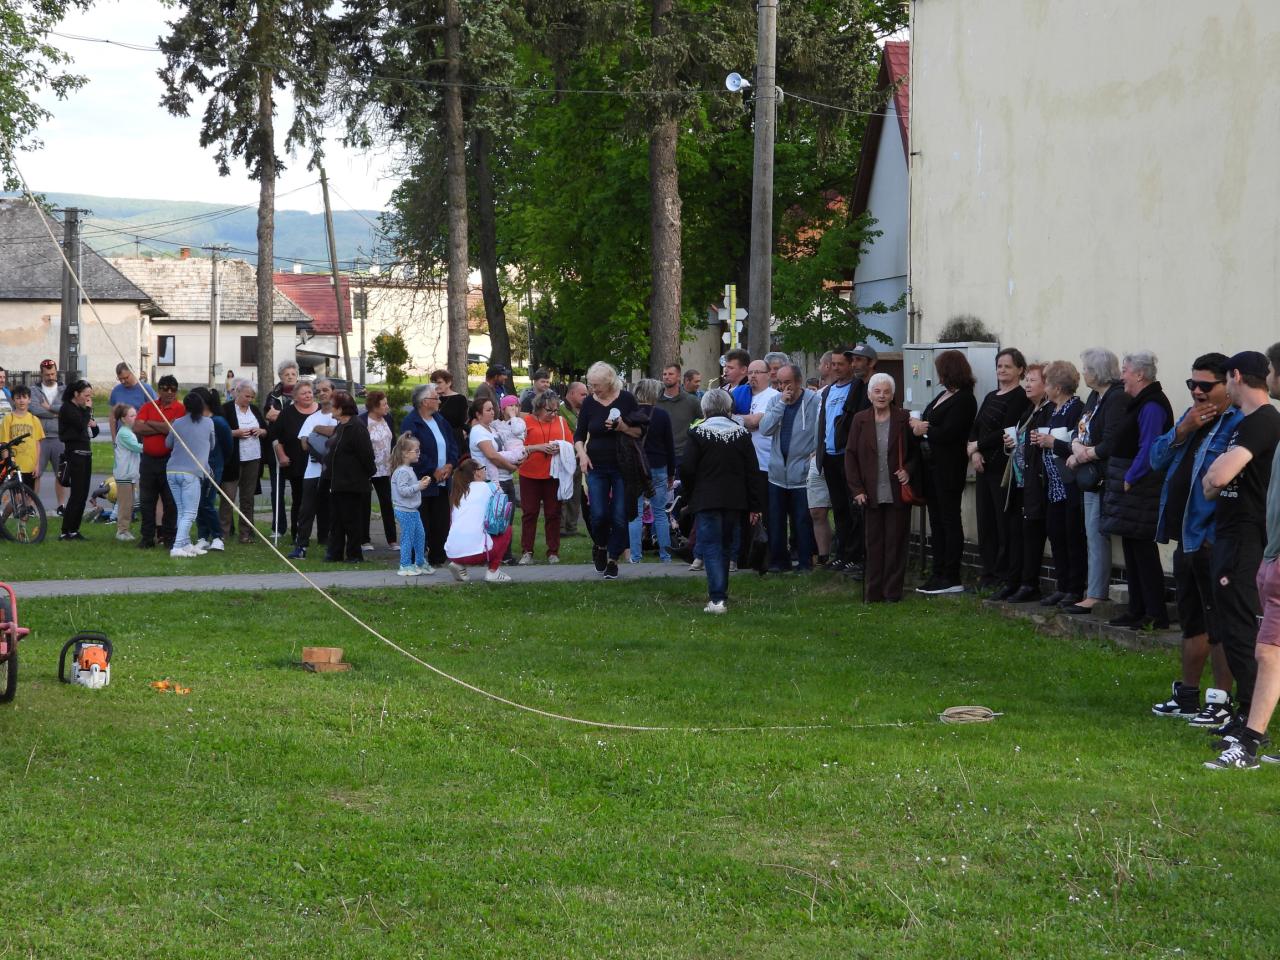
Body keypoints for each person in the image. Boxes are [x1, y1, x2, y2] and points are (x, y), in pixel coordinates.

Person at [1149, 353, 1239, 721]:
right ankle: (1187, 696)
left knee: (1219, 623)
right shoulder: (1192, 419)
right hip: (1187, 538)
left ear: (1228, 386)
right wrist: (1183, 429)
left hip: (1213, 539)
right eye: (1192, 385)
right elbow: (1155, 459)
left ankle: (1220, 701)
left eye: (1205, 386)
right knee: (1192, 620)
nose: (1197, 392)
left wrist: (1214, 537)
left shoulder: (1238, 424)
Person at [1205, 342, 1280, 769]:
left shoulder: (1264, 421)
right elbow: (1209, 485)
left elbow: (1217, 476)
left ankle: (1253, 721)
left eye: (1225, 380)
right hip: (1231, 533)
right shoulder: (1244, 423)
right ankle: (1247, 715)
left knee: (1243, 627)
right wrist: (1214, 477)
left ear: (1236, 377)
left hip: (1249, 537)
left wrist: (1215, 475)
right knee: (1232, 624)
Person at [1100, 351, 1174, 630]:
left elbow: (1150, 445)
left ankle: (1155, 613)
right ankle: (1137, 608)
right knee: (1131, 546)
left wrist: (1131, 476)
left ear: (1140, 374)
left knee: (1142, 548)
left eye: (1125, 371)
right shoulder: (1140, 401)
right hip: (1130, 483)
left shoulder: (1153, 404)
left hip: (1141, 485)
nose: (1122, 377)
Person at [680, 389, 765, 613]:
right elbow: (752, 472)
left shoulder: (697, 433)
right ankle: (721, 595)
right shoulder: (741, 434)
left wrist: (690, 494)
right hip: (735, 501)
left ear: (704, 409)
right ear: (728, 409)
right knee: (726, 547)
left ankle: (717, 598)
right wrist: (755, 505)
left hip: (706, 499)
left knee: (711, 547)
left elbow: (686, 468)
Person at [847, 373, 919, 602]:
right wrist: (857, 489)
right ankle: (873, 591)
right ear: (869, 395)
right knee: (874, 543)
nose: (881, 396)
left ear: (892, 395)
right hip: (870, 492)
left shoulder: (903, 418)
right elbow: (850, 456)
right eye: (877, 392)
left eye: (886, 392)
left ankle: (892, 592)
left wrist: (908, 470)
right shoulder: (860, 419)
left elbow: (916, 453)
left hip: (896, 490)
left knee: (896, 543)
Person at [912, 350, 979, 594]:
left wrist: (925, 429)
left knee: (949, 519)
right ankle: (938, 570)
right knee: (936, 520)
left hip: (949, 467)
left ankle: (951, 574)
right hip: (931, 466)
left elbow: (951, 433)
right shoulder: (943, 395)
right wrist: (919, 426)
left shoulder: (965, 400)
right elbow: (930, 420)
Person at [1063, 348, 1123, 614]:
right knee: (1090, 532)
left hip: (1102, 476)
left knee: (1097, 533)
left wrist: (1082, 454)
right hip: (1088, 474)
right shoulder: (1094, 396)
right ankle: (1093, 590)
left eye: (1086, 368)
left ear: (1098, 371)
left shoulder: (1116, 397)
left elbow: (1111, 440)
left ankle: (1096, 594)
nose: (1083, 373)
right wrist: (1077, 446)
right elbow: (1080, 428)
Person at [968, 348, 1031, 590]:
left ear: (1020, 370)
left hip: (1002, 469)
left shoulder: (1019, 397)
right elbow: (976, 427)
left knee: (1002, 522)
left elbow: (1007, 430)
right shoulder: (991, 396)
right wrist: (974, 452)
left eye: (1007, 366)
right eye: (999, 366)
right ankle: (988, 572)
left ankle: (1003, 574)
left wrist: (978, 446)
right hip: (982, 467)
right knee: (985, 523)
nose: (1002, 370)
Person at [574, 362, 641, 580]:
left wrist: (623, 427)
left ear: (610, 382)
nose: (593, 389)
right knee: (599, 514)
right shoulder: (589, 403)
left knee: (620, 515)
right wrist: (582, 454)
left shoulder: (627, 400)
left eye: (597, 385)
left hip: (622, 466)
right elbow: (579, 435)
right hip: (596, 466)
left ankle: (613, 559)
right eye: (590, 385)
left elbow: (640, 431)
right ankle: (601, 546)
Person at [1034, 361, 1087, 607]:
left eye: (1046, 383)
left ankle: (1074, 589)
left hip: (1070, 484)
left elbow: (1077, 444)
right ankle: (1062, 585)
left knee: (1072, 536)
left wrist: (1051, 443)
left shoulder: (1076, 409)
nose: (1044, 387)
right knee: (1056, 535)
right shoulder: (1053, 409)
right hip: (1054, 485)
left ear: (1057, 387)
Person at [998, 363, 1053, 602]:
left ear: (1047, 385)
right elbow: (1020, 443)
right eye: (1027, 380)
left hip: (1035, 483)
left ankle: (1029, 584)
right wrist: (1009, 444)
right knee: (1016, 532)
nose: (1027, 385)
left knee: (1031, 534)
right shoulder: (1028, 410)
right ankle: (1014, 581)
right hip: (1019, 482)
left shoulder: (1048, 410)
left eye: (1032, 380)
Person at [760, 363, 819, 573]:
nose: (783, 387)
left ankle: (804, 562)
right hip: (777, 472)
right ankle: (778, 561)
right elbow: (765, 429)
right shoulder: (775, 401)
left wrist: (813, 459)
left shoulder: (814, 401)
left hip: (801, 472)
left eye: (787, 383)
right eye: (780, 383)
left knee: (802, 520)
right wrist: (781, 405)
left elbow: (818, 432)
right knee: (776, 520)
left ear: (798, 382)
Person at [817, 348, 867, 573]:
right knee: (838, 508)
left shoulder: (857, 389)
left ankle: (854, 555)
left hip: (846, 455)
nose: (836, 368)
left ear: (850, 365)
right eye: (833, 364)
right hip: (829, 455)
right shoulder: (828, 391)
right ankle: (841, 553)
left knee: (852, 507)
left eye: (841, 364)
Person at [400, 383, 458, 570]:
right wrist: (433, 469)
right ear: (425, 402)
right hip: (421, 481)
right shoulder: (411, 422)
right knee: (421, 520)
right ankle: (415, 558)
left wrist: (450, 464)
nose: (439, 401)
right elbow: (411, 450)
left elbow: (452, 443)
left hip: (443, 479)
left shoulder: (440, 419)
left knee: (441, 520)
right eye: (436, 398)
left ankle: (438, 556)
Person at [517, 391, 572, 565]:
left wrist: (561, 448)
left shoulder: (561, 422)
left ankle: (553, 552)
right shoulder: (526, 422)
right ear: (539, 408)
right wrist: (538, 447)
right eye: (549, 410)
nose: (553, 414)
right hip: (529, 474)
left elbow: (570, 444)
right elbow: (517, 448)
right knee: (529, 513)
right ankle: (527, 552)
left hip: (553, 475)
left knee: (553, 514)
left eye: (556, 410)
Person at [627, 378, 675, 564]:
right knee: (660, 513)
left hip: (636, 467)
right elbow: (669, 446)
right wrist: (671, 472)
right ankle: (665, 555)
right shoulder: (662, 415)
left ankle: (635, 556)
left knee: (636, 514)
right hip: (658, 466)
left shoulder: (630, 414)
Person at [134, 374, 184, 549]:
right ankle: (147, 537)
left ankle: (169, 537)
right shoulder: (149, 406)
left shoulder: (180, 409)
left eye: (173, 389)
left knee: (170, 502)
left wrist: (150, 423)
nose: (170, 392)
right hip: (148, 461)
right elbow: (137, 427)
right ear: (159, 390)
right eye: (165, 389)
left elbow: (172, 430)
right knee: (147, 501)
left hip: (170, 461)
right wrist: (163, 425)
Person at [324, 391, 375, 563]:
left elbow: (367, 455)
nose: (330, 409)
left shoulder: (356, 427)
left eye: (333, 406)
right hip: (337, 482)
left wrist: (367, 474)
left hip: (353, 483)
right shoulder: (340, 426)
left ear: (341, 409)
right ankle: (335, 553)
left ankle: (354, 554)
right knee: (336, 520)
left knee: (352, 520)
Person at [289, 379, 337, 559]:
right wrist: (323, 434)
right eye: (318, 391)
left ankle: (333, 546)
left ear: (333, 391)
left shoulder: (338, 416)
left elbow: (338, 434)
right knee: (306, 510)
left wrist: (316, 431)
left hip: (333, 472)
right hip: (312, 471)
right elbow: (304, 443)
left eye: (325, 390)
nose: (321, 393)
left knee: (333, 510)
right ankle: (301, 546)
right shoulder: (312, 418)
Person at [443, 459, 513, 583]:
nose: (485, 472)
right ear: (477, 473)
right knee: (507, 529)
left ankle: (458, 564)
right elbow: (501, 505)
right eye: (483, 468)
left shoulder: (457, 493)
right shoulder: (488, 487)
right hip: (477, 554)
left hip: (452, 552)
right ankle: (493, 572)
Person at [164, 391, 215, 557]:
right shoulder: (208, 423)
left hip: (172, 471)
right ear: (201, 406)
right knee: (190, 513)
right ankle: (177, 547)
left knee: (182, 510)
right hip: (191, 473)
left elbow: (168, 444)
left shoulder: (177, 423)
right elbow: (212, 445)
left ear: (185, 406)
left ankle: (185, 544)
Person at [221, 380, 268, 544]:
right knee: (228, 496)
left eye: (252, 397)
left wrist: (261, 431)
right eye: (247, 396)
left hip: (253, 457)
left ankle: (246, 533)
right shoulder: (226, 409)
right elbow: (219, 430)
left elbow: (265, 430)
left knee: (248, 497)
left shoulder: (254, 410)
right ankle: (223, 533)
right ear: (237, 393)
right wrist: (235, 433)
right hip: (233, 459)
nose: (249, 400)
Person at [57, 379, 99, 540]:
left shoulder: (81, 410)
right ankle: (65, 531)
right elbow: (81, 425)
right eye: (86, 396)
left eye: (90, 396)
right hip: (75, 454)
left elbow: (91, 431)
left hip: (86, 453)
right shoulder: (67, 409)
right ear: (76, 394)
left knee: (83, 494)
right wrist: (87, 411)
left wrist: (94, 424)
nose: (88, 399)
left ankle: (74, 529)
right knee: (76, 493)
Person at [193, 388, 232, 552]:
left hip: (213, 467)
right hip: (196, 467)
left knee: (207, 502)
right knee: (198, 502)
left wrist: (219, 463)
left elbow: (228, 446)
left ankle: (218, 537)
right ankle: (202, 536)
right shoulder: (195, 420)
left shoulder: (218, 422)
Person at [264, 359, 301, 536]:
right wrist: (286, 416)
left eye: (293, 374)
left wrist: (280, 415)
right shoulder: (273, 396)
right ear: (280, 376)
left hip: (296, 448)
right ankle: (278, 527)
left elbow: (302, 417)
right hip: (276, 446)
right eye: (287, 374)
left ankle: (298, 527)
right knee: (276, 489)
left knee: (298, 491)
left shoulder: (302, 394)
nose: (290, 377)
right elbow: (268, 416)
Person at [359, 391, 398, 551]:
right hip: (367, 469)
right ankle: (364, 540)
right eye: (384, 404)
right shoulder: (362, 421)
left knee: (387, 503)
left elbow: (393, 441)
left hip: (385, 469)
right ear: (374, 407)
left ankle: (392, 539)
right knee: (364, 504)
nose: (387, 407)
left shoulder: (388, 419)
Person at [391, 433, 432, 575]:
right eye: (416, 451)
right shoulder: (402, 471)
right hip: (404, 510)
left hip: (412, 510)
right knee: (408, 537)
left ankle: (419, 562)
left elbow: (409, 487)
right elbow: (403, 491)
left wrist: (419, 483)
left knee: (420, 535)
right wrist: (419, 486)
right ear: (405, 453)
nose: (419, 453)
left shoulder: (408, 470)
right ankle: (405, 565)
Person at [30, 359, 67, 515]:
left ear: (56, 372)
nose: (50, 377)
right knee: (36, 474)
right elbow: (34, 409)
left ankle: (61, 506)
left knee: (61, 474)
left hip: (60, 437)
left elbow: (67, 409)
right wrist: (56, 413)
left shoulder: (65, 390)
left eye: (53, 374)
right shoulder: (34, 390)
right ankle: (31, 506)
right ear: (41, 374)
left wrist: (49, 407)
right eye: (47, 375)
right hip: (40, 438)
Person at [559, 381, 588, 536]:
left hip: (579, 457)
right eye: (582, 394)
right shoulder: (560, 409)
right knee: (564, 492)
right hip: (565, 458)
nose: (586, 397)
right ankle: (561, 527)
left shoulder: (584, 410)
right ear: (571, 393)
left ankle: (572, 527)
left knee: (576, 494)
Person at [657, 363, 701, 465]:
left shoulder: (692, 401)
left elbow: (703, 422)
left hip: (682, 455)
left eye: (671, 374)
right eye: (664, 374)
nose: (667, 377)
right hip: (659, 454)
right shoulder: (654, 400)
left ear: (678, 377)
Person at [0, 386, 43, 490]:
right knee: (18, 497)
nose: (21, 400)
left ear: (29, 399)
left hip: (30, 466)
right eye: (18, 398)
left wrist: (37, 465)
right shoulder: (8, 419)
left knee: (29, 496)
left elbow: (37, 444)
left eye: (24, 397)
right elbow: (4, 444)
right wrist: (8, 465)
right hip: (15, 466)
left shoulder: (34, 420)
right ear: (13, 400)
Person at [111, 403, 143, 541]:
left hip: (129, 474)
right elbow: (137, 447)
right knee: (125, 504)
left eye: (136, 414)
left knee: (130, 504)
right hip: (124, 474)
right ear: (123, 419)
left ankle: (125, 530)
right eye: (132, 415)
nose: (135, 417)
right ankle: (121, 531)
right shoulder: (124, 433)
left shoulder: (129, 432)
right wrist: (153, 445)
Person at [107, 362, 155, 436]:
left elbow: (155, 412)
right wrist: (114, 439)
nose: (123, 381)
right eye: (120, 379)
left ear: (132, 373)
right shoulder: (116, 391)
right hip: (123, 436)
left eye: (125, 378)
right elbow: (112, 417)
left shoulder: (146, 389)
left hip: (141, 435)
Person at [430, 369, 469, 454]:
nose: (436, 385)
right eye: (434, 383)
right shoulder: (431, 398)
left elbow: (461, 421)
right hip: (435, 438)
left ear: (448, 383)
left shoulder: (459, 399)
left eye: (439, 382)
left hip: (453, 439)